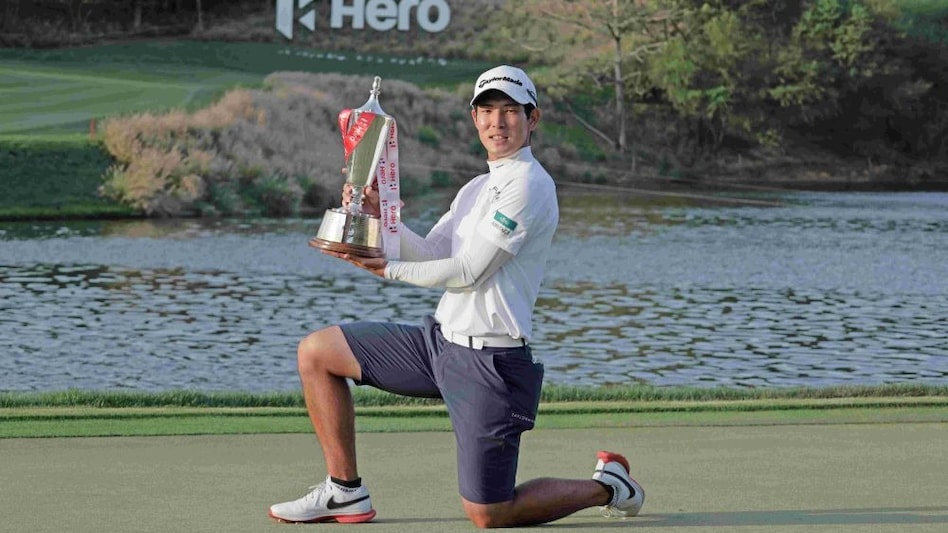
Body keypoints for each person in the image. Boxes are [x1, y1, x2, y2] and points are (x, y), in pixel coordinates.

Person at [268, 65, 644, 527]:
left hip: (492, 363)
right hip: (439, 345)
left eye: (510, 111)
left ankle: (609, 486)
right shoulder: (477, 187)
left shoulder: (530, 186)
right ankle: (345, 492)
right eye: (486, 111)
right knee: (317, 352)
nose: (497, 122)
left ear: (533, 119)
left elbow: (466, 273)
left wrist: (386, 268)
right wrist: (380, 217)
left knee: (490, 513)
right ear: (474, 119)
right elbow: (430, 250)